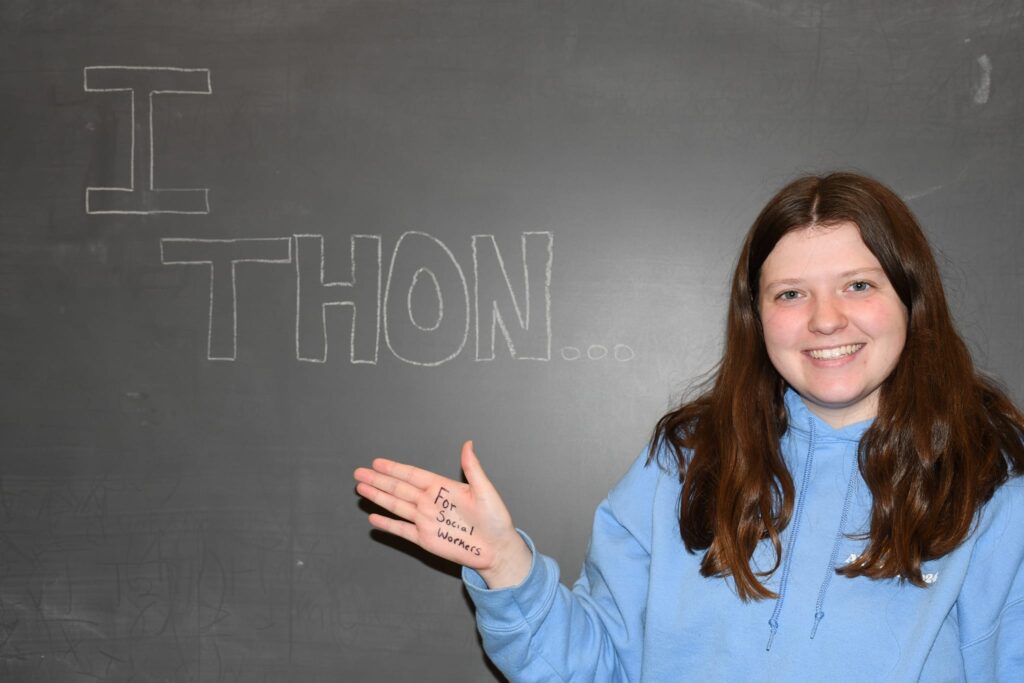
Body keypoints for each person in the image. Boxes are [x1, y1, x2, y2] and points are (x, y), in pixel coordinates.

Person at [353, 172, 1024, 681]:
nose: (825, 320)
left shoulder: (994, 483)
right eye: (790, 293)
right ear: (756, 315)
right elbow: (595, 666)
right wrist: (505, 564)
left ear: (910, 297)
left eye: (858, 285)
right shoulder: (686, 462)